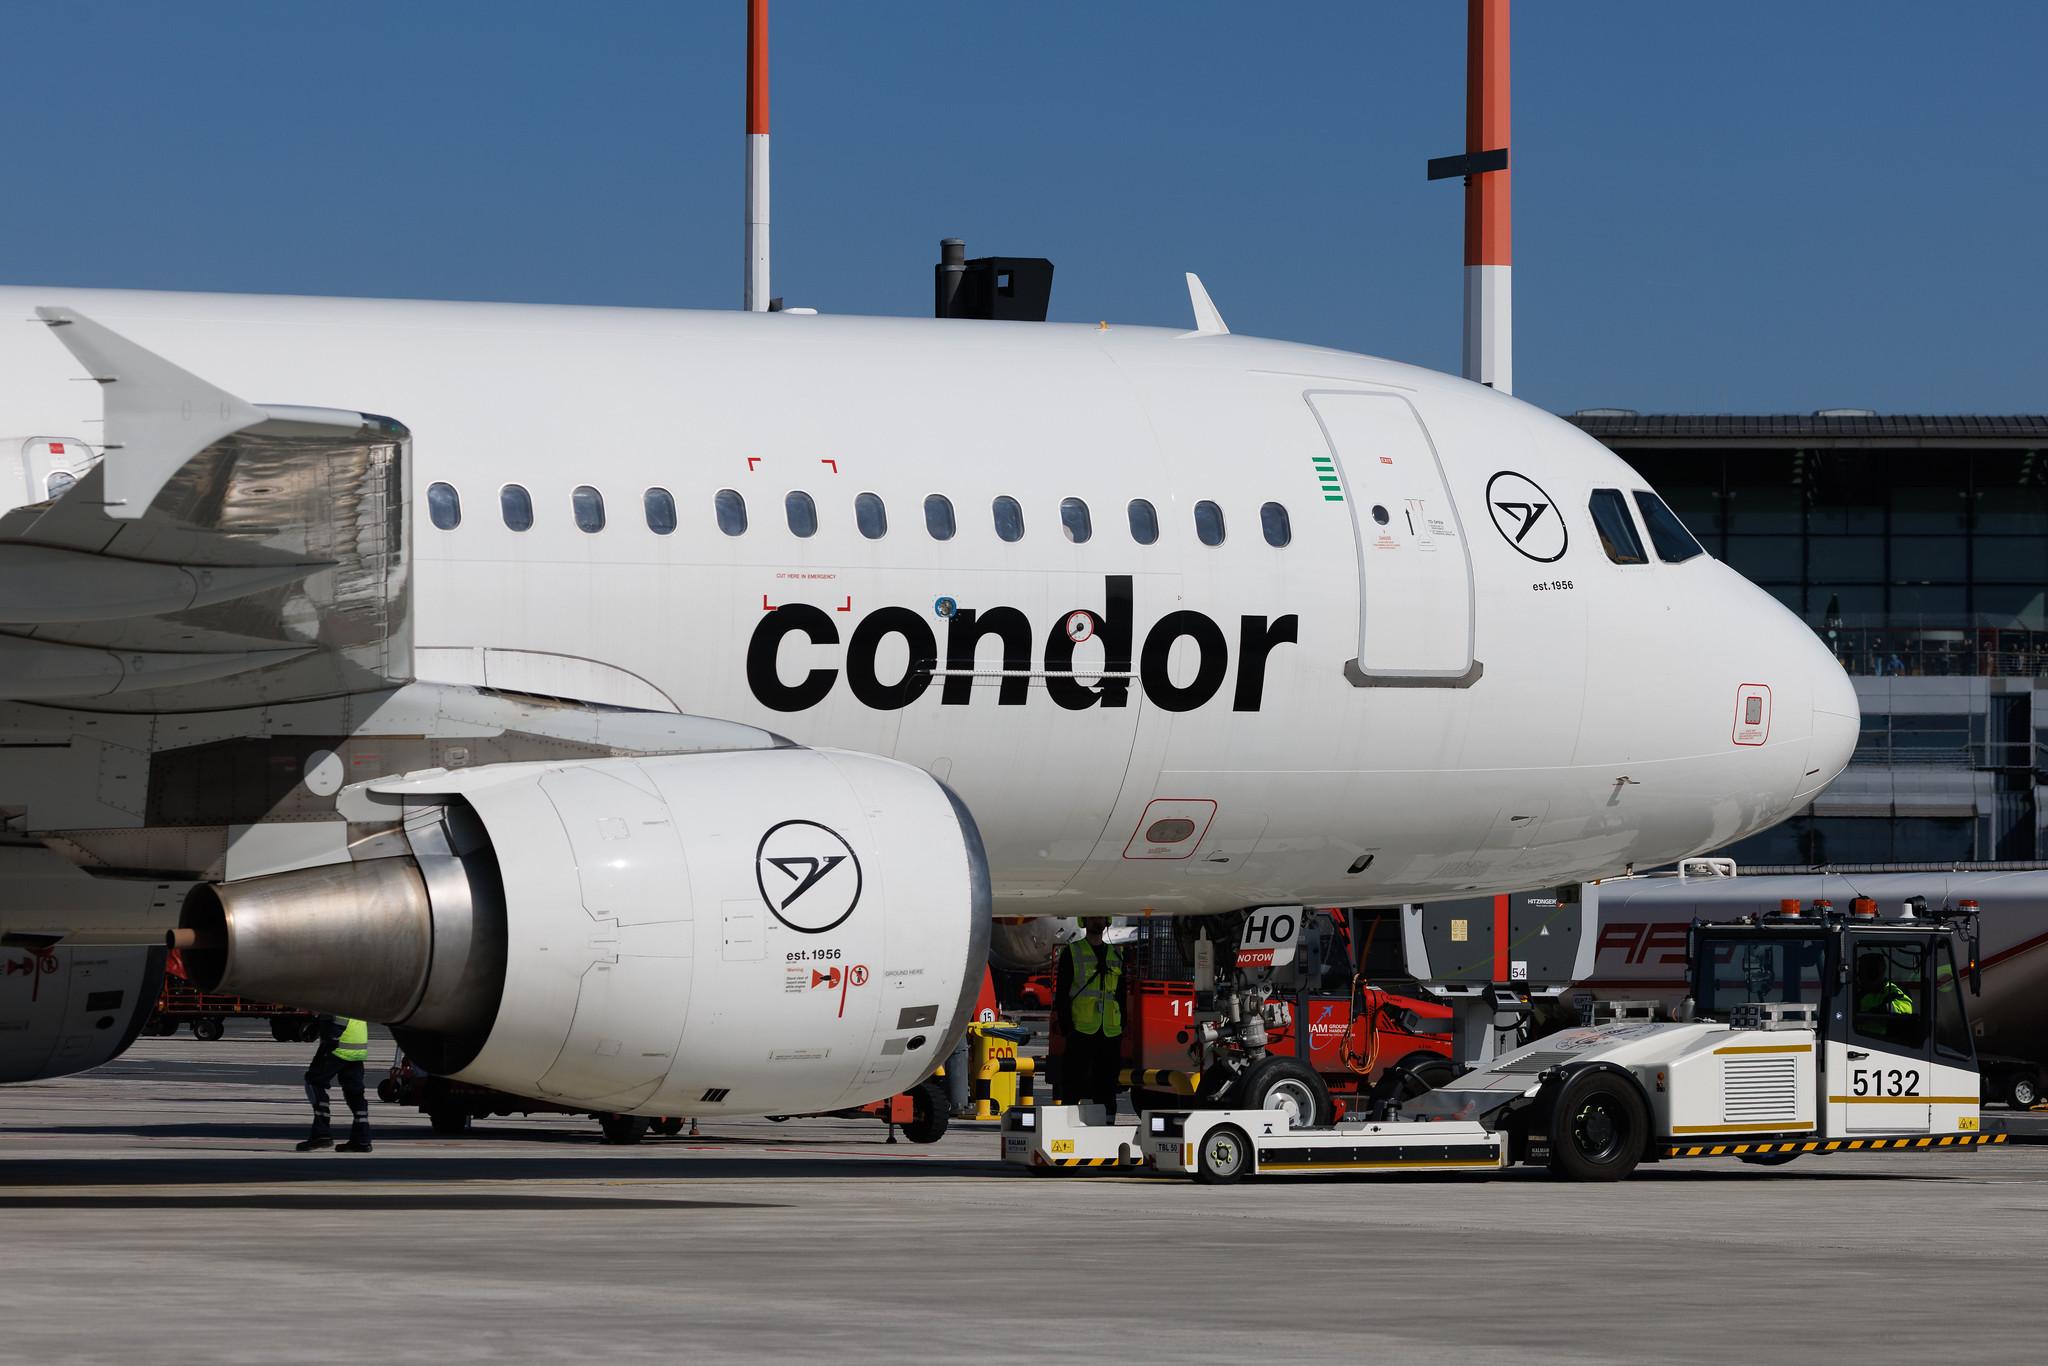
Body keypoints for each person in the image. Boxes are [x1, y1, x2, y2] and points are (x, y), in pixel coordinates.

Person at [1055, 918, 1125, 1114]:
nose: (1097, 921)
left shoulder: (1116, 954)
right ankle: (1067, 1127)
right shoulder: (1072, 952)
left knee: (1107, 1086)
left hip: (1110, 1031)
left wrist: (1123, 1024)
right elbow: (1062, 994)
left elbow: (1120, 994)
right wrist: (1067, 1027)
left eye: (1101, 917)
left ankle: (1107, 1126)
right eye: (1093, 917)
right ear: (1084, 921)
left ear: (1107, 921)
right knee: (1073, 1084)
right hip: (1080, 1029)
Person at [299, 1014, 373, 1152]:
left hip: (338, 1046)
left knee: (314, 1082)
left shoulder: (341, 993)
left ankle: (321, 1133)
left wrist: (330, 1038)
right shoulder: (357, 995)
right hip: (357, 1048)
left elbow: (340, 1013)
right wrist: (318, 1026)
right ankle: (362, 1139)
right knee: (355, 1092)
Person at [1854, 954, 1913, 1038]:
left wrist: (1872, 1014)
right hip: (1856, 1040)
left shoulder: (1891, 990)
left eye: (1860, 970)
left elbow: (1904, 1009)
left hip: (1878, 1044)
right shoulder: (1856, 991)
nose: (1858, 974)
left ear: (1873, 973)